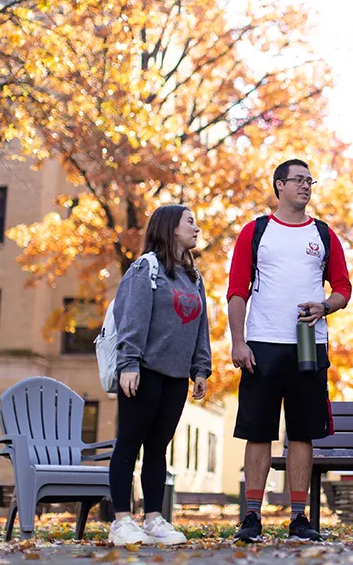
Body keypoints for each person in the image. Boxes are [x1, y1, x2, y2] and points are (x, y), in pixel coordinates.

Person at [226, 158, 352, 542]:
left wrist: (325, 306)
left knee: (302, 432)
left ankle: (299, 519)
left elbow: (343, 288)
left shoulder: (325, 235)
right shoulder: (256, 231)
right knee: (258, 431)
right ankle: (251, 517)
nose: (305, 186)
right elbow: (236, 290)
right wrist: (238, 341)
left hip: (307, 344)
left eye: (309, 181)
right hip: (262, 344)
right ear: (279, 185)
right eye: (297, 180)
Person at [107, 205, 211, 546]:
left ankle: (153, 519)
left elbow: (201, 329)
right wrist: (129, 364)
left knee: (157, 450)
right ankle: (121, 520)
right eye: (190, 222)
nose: (196, 228)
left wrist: (200, 368)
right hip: (144, 371)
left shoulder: (194, 278)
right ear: (170, 228)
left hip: (175, 377)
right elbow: (132, 319)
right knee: (129, 446)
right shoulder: (145, 268)